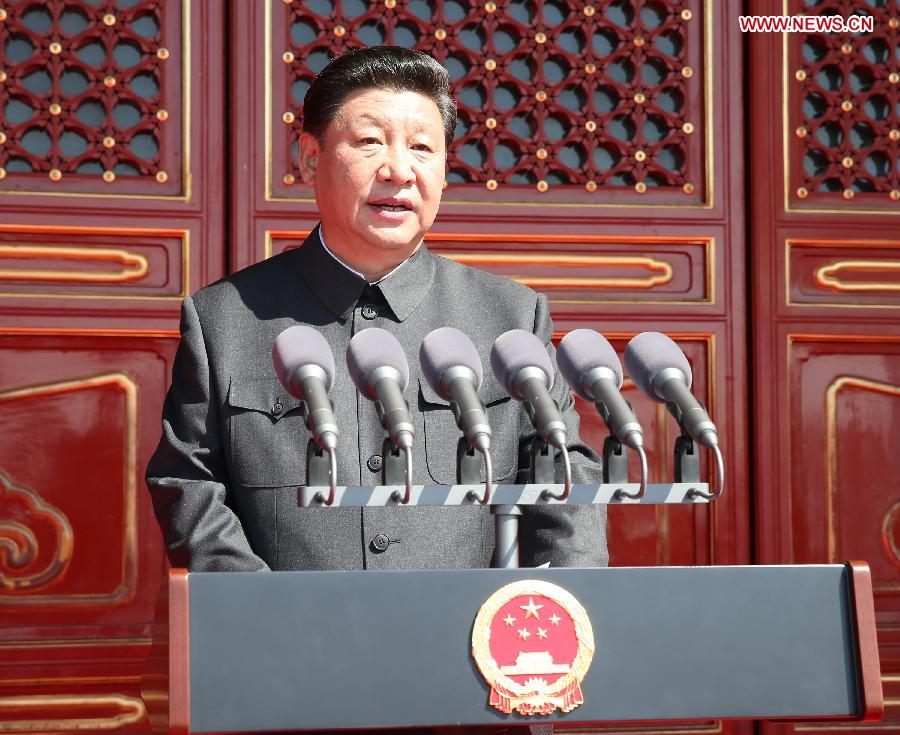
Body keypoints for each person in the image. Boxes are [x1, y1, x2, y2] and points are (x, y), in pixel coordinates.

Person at [145, 46, 607, 572]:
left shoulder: (510, 317)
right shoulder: (224, 319)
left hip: (466, 640)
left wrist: (558, 613)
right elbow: (189, 481)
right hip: (292, 640)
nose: (399, 170)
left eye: (422, 148)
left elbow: (566, 483)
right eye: (369, 142)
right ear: (310, 158)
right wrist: (263, 613)